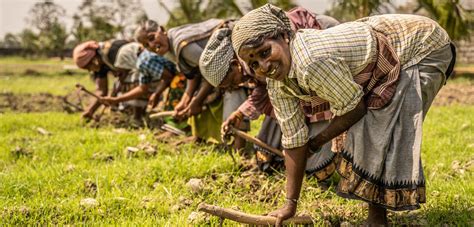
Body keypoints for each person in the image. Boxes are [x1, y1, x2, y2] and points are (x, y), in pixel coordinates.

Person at [231, 4, 456, 225]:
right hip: (381, 50)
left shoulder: (311, 61)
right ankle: (377, 217)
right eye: (253, 63)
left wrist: (318, 141)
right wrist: (290, 204)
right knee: (368, 128)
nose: (263, 65)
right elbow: (293, 139)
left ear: (284, 37)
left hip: (420, 45)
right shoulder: (277, 84)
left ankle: (377, 220)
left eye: (264, 52)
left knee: (378, 127)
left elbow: (354, 109)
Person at [199, 7, 341, 173]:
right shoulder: (252, 63)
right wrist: (239, 114)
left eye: (229, 83)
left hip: (326, 38)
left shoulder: (257, 56)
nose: (232, 88)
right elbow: (264, 93)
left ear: (234, 66)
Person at [145, 19, 250, 145]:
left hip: (235, 61)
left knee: (232, 90)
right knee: (200, 96)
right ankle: (201, 137)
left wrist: (196, 101)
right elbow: (194, 74)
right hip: (221, 69)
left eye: (151, 38)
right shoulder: (173, 42)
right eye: (146, 45)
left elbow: (212, 72)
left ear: (161, 30)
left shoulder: (181, 45)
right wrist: (185, 100)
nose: (151, 45)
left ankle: (239, 148)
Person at [99, 42, 178, 122]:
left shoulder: (144, 61)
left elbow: (169, 77)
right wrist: (115, 99)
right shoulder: (142, 64)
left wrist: (157, 93)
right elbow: (143, 88)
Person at [72, 39, 129, 120]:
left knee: (126, 87)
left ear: (92, 60)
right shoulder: (99, 63)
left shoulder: (113, 51)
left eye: (88, 67)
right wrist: (90, 111)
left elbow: (125, 75)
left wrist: (114, 96)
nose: (90, 70)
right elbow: (101, 91)